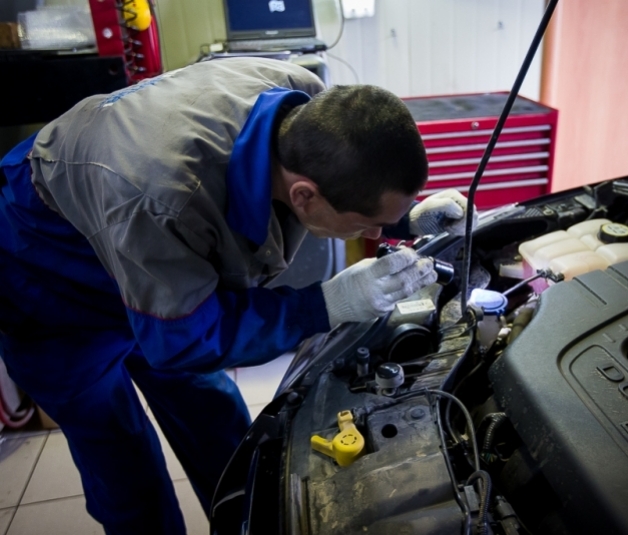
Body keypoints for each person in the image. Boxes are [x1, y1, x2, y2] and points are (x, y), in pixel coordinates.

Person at [0, 57, 475, 534]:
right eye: (366, 225)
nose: (374, 234)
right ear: (305, 195)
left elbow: (343, 177)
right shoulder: (165, 195)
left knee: (218, 420)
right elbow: (183, 341)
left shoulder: (305, 101)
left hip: (148, 243)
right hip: (52, 280)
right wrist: (325, 304)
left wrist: (405, 217)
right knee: (123, 462)